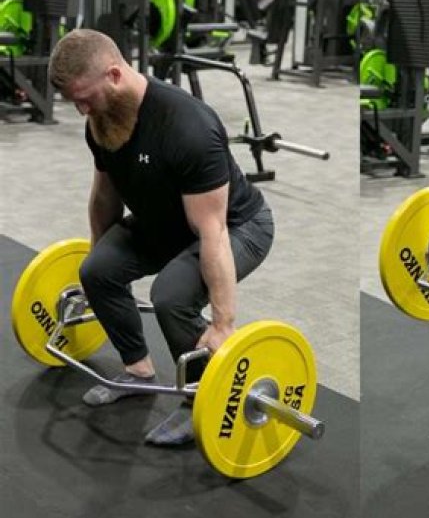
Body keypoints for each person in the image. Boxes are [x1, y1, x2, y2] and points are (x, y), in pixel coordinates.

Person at [48, 29, 274, 446]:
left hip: (238, 226)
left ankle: (203, 398)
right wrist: (101, 264)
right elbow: (105, 197)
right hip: (165, 222)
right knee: (96, 271)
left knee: (171, 296)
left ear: (114, 75)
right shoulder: (102, 121)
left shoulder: (187, 126)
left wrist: (223, 323)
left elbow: (213, 230)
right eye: (74, 101)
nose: (81, 110)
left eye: (85, 98)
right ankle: (138, 370)